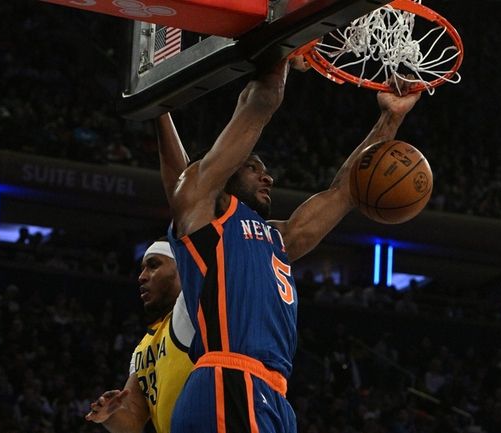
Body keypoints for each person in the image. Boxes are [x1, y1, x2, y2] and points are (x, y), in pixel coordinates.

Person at [161, 59, 421, 433]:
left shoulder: (277, 238)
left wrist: (390, 120)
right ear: (225, 170)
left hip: (270, 393)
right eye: (253, 167)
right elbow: (261, 100)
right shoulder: (205, 214)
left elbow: (346, 191)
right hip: (229, 380)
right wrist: (281, 54)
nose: (268, 175)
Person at [85, 238, 194, 433]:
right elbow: (133, 420)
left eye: (153, 266)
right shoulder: (142, 349)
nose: (142, 277)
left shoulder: (193, 311)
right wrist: (110, 415)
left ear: (183, 269)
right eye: (142, 269)